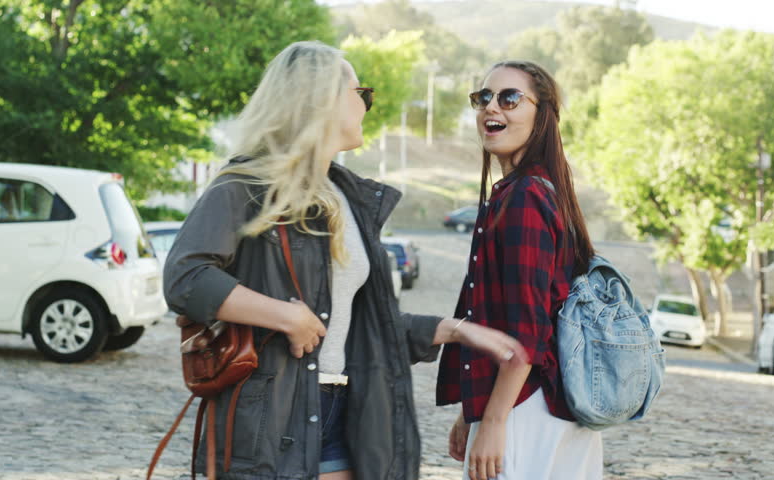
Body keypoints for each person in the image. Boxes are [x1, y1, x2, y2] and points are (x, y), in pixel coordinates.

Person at [163, 41, 528, 480]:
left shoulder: (346, 197)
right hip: (271, 420)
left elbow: (363, 323)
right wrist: (285, 316)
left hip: (344, 414)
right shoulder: (246, 184)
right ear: (322, 100)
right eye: (361, 93)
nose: (366, 106)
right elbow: (185, 277)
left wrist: (453, 330)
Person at [435, 61, 604, 480]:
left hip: (526, 413)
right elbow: (497, 316)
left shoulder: (526, 195)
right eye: (483, 97)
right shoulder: (539, 190)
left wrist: (492, 422)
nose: (492, 106)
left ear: (541, 114)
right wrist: (471, 414)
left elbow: (526, 329)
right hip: (548, 409)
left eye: (510, 97)